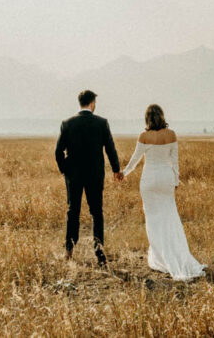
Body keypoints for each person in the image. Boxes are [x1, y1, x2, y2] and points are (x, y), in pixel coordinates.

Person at [121, 104, 205, 280]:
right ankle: (175, 256)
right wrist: (175, 180)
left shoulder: (144, 136)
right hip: (166, 178)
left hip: (149, 181)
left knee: (153, 221)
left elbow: (135, 160)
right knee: (169, 217)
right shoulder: (171, 134)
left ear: (147, 118)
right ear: (162, 116)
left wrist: (123, 173)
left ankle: (160, 258)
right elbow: (175, 162)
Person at [55, 90, 122, 264]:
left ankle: (69, 251)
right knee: (97, 212)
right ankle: (99, 252)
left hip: (74, 175)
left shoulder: (67, 123)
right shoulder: (101, 123)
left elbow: (58, 151)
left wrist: (65, 170)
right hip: (95, 174)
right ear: (92, 103)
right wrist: (116, 169)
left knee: (73, 212)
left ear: (80, 103)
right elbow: (110, 148)